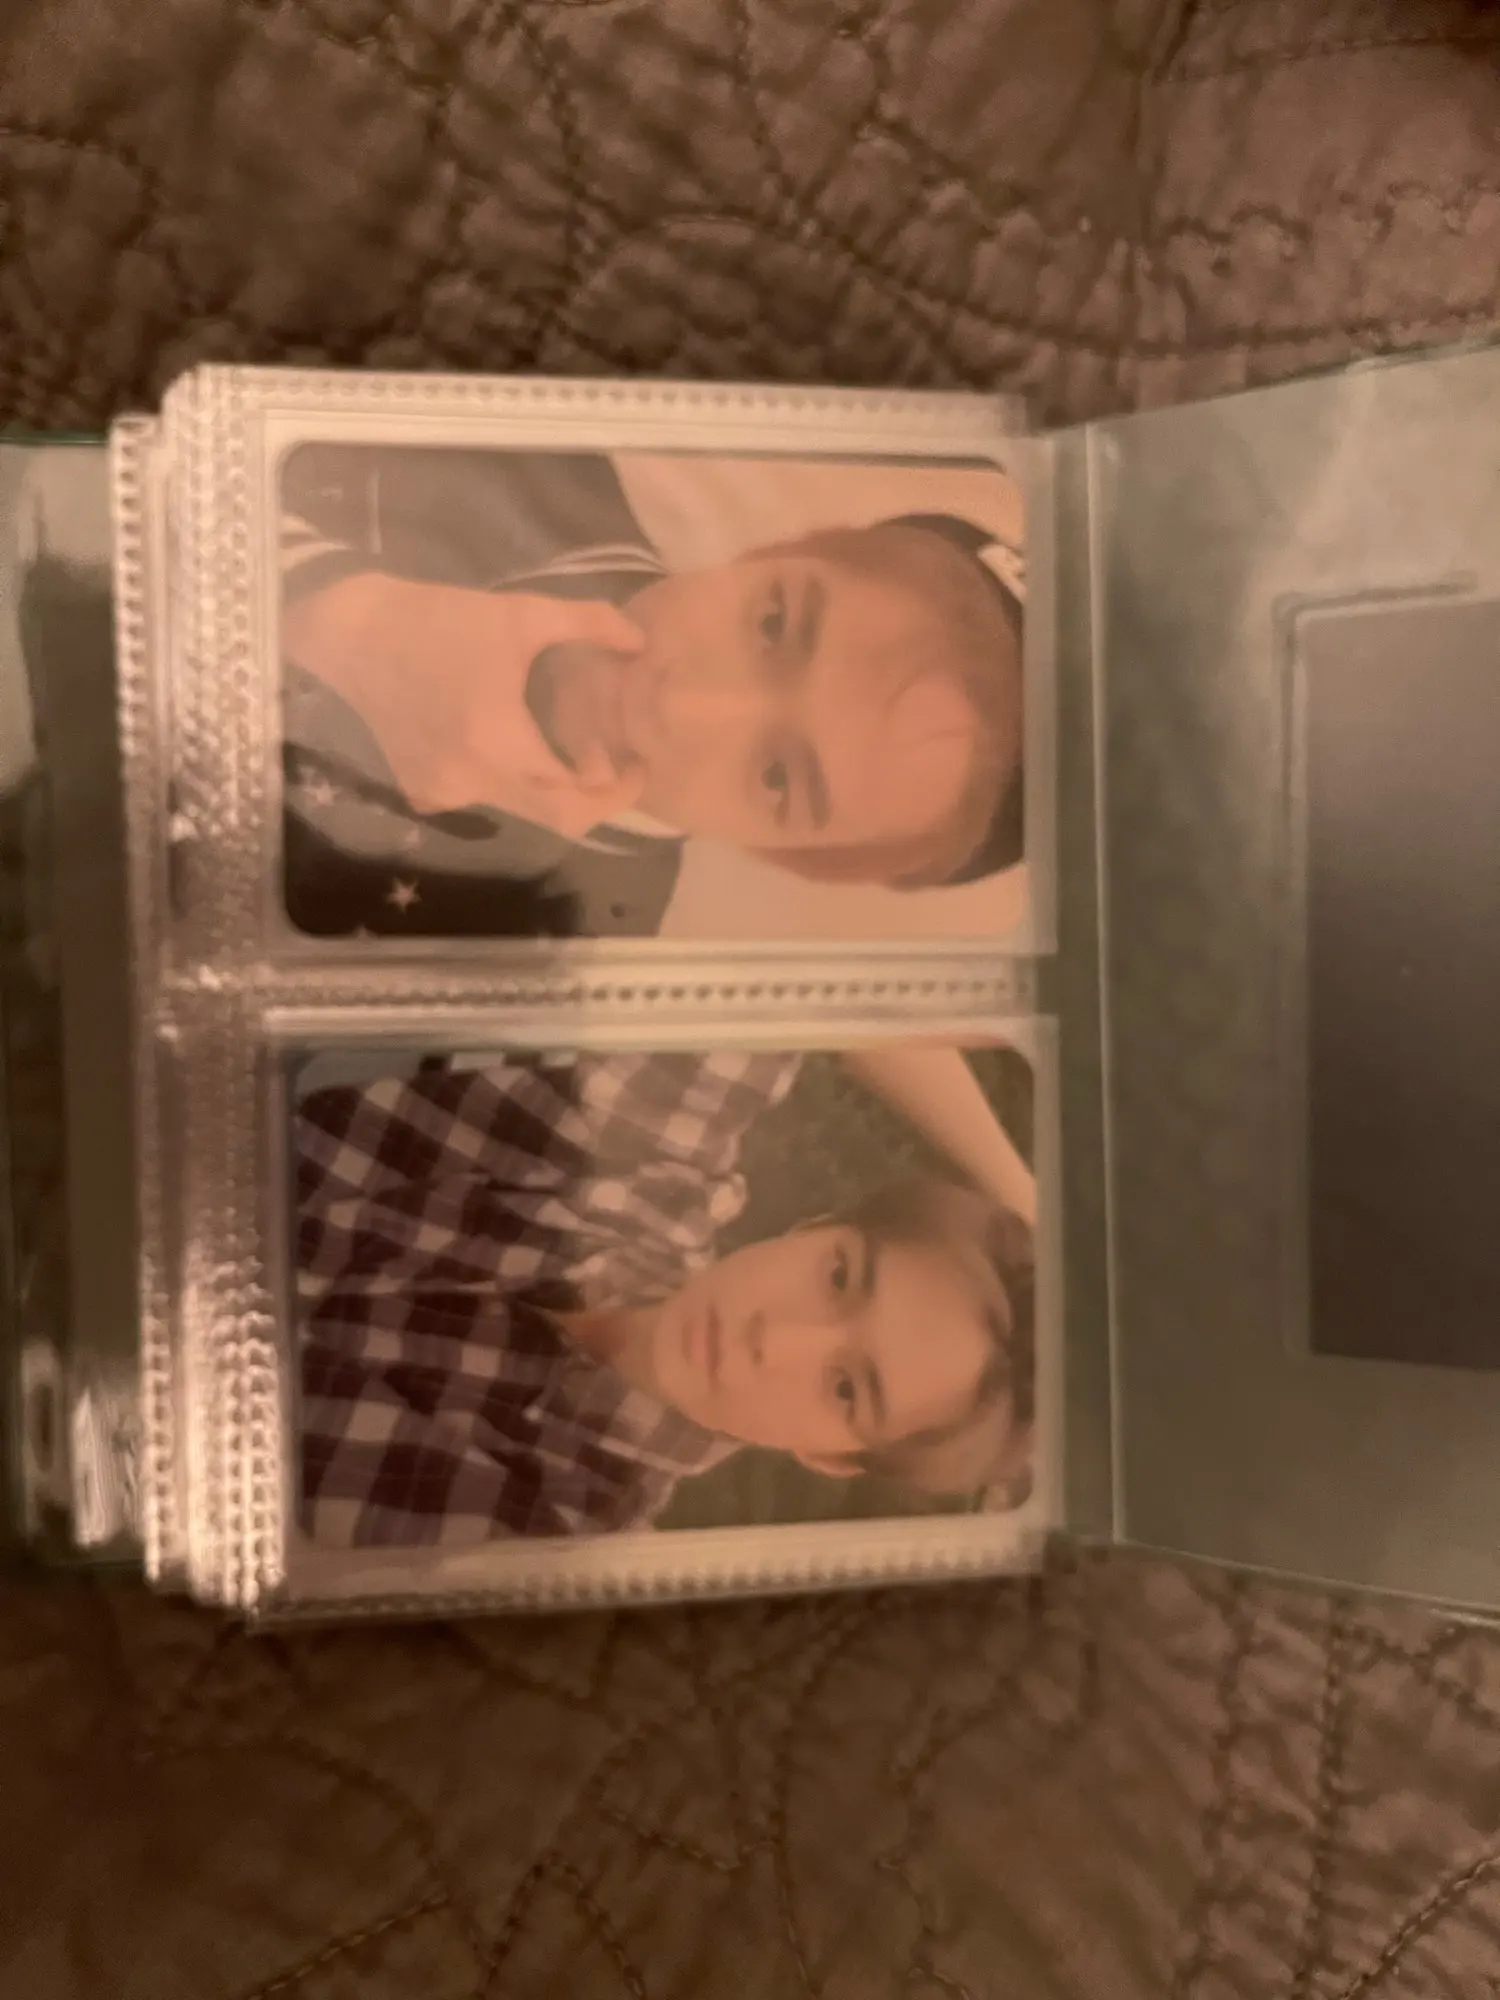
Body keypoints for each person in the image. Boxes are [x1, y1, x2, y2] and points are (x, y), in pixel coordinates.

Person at [296, 1047, 1036, 1547]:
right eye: (838, 1277)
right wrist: (1030, 1207)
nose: (775, 1337)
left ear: (831, 1457)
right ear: (815, 1227)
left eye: (846, 1389)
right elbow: (837, 957)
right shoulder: (655, 1162)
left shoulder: (565, 1530)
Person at [278, 444, 1026, 937]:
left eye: (776, 777)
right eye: (771, 624)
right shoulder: (525, 456)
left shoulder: (563, 946)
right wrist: (329, 608)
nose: (683, 706)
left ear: (779, 854)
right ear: (771, 552)